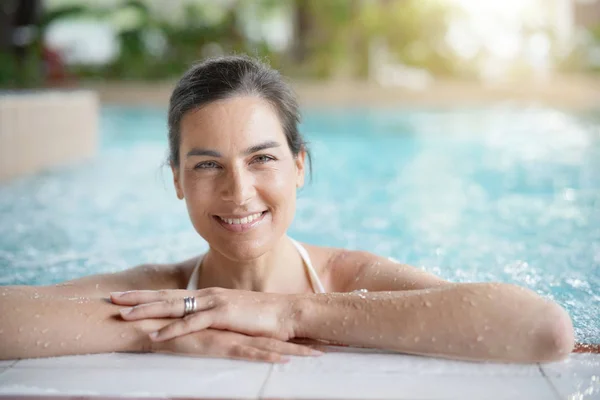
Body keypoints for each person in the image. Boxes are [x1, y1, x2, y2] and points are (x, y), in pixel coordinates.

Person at [0, 55, 576, 363]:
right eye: (206, 165)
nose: (238, 192)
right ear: (176, 180)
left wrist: (289, 313)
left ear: (300, 165)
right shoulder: (163, 292)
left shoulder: (353, 278)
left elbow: (543, 329)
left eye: (262, 159)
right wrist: (150, 334)